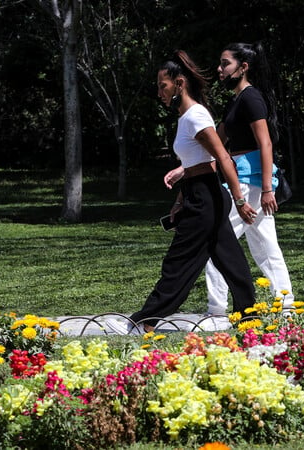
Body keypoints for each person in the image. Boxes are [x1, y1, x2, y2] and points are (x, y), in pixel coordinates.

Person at [106, 50, 257, 335]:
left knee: (179, 261)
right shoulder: (186, 117)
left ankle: (143, 321)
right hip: (199, 195)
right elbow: (194, 164)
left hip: (206, 198)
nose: (160, 93)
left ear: (179, 83)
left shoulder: (195, 116)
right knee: (231, 261)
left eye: (163, 86)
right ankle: (249, 318)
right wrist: (180, 200)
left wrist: (239, 199)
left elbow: (222, 158)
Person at [167, 42, 294, 315]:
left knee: (219, 243)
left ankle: (217, 310)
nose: (220, 69)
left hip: (250, 183)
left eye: (226, 63)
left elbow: (266, 143)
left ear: (243, 67)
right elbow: (218, 143)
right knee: (264, 247)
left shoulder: (251, 98)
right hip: (246, 181)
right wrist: (184, 169)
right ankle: (285, 305)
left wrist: (268, 190)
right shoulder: (237, 101)